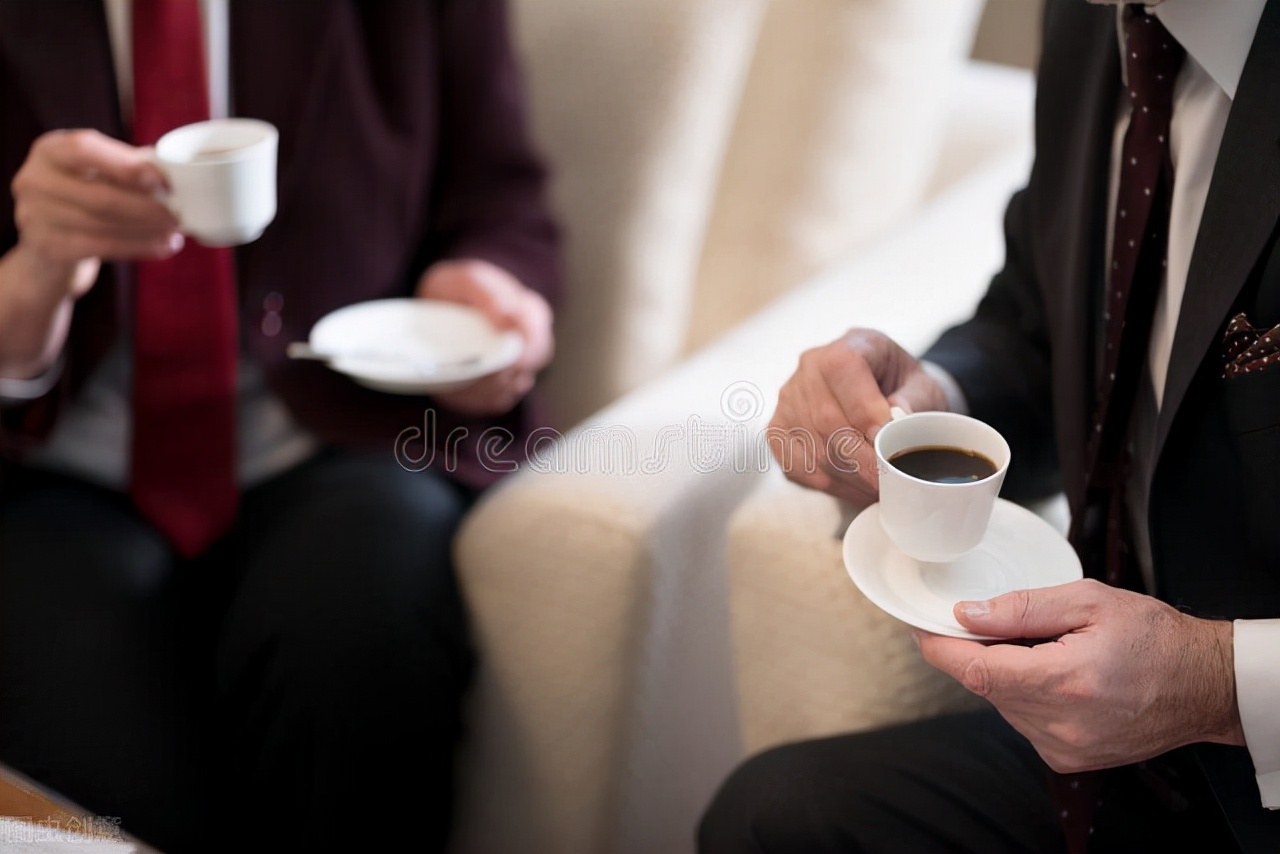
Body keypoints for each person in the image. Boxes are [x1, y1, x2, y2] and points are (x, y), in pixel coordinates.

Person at [698, 0, 1280, 852]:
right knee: (772, 817)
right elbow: (1046, 330)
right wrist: (928, 399)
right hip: (1125, 757)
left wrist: (1215, 686)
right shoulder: (1101, 23)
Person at [0, 1, 561, 852]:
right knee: (101, 796)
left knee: (362, 635)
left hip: (334, 440)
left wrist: (484, 294)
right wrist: (36, 271)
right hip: (54, 471)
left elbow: (503, 200)